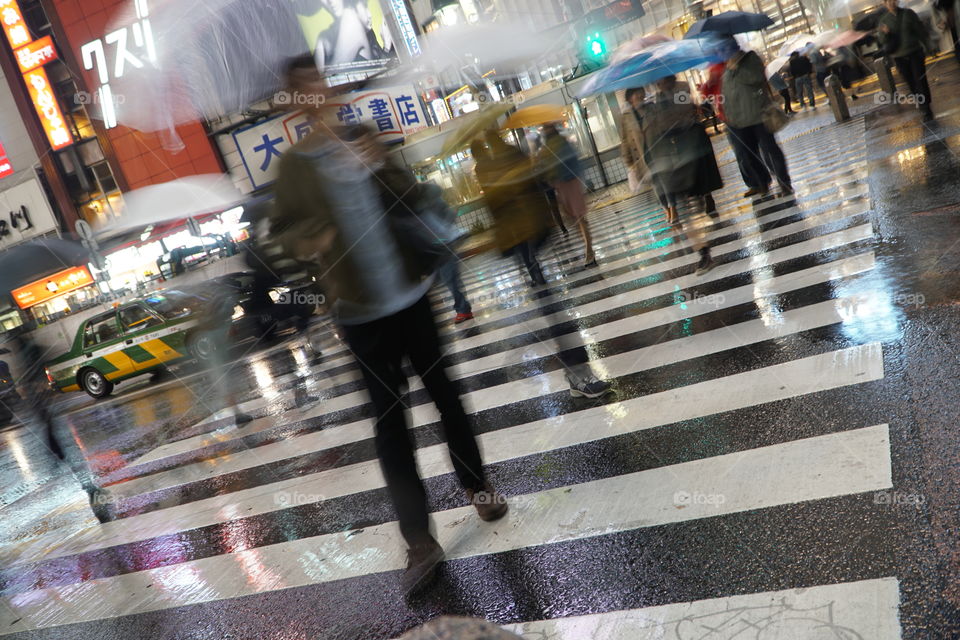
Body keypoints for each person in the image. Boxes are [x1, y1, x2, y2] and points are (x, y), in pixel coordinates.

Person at [272, 55, 507, 596]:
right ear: (293, 103)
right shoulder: (293, 168)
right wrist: (311, 237)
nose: (315, 92)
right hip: (359, 315)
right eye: (301, 88)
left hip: (412, 294)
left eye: (317, 81)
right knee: (390, 424)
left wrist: (382, 163)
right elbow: (282, 233)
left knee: (446, 395)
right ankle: (418, 540)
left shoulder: (362, 134)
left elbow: (414, 195)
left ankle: (477, 485)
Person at [475, 132, 613, 399]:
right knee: (556, 314)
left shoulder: (505, 161)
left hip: (531, 240)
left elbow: (530, 188)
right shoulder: (496, 167)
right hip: (525, 241)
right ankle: (579, 375)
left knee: (556, 312)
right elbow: (509, 201)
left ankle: (576, 375)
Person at [642, 75, 722, 275]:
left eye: (659, 80)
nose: (658, 83)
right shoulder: (658, 98)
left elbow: (682, 113)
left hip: (692, 145)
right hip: (675, 152)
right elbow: (661, 125)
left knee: (695, 194)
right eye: (656, 82)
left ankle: (704, 250)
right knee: (686, 208)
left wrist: (663, 116)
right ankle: (703, 252)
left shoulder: (681, 88)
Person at [722, 45, 794, 198]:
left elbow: (756, 78)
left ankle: (784, 182)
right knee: (749, 155)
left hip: (759, 115)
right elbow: (728, 93)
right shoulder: (726, 67)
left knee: (770, 150)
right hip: (739, 121)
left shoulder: (750, 59)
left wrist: (736, 68)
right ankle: (762, 184)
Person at [538, 123, 597, 268]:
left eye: (547, 129)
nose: (545, 132)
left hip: (570, 183)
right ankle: (587, 244)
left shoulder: (561, 144)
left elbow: (569, 162)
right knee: (574, 218)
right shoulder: (548, 148)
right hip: (562, 185)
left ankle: (589, 250)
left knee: (579, 218)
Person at [879, 0, 935, 120]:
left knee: (920, 80)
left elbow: (921, 31)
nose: (891, 3)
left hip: (915, 53)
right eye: (887, 1)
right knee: (911, 82)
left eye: (892, 0)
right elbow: (882, 41)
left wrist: (929, 47)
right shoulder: (884, 20)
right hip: (899, 57)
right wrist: (885, 33)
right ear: (884, 4)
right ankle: (920, 102)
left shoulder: (908, 13)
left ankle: (926, 107)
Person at [620, 86, 650, 194]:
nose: (640, 95)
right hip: (641, 156)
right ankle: (667, 204)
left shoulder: (651, 108)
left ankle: (670, 204)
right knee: (654, 185)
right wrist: (629, 162)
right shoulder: (625, 116)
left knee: (662, 184)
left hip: (655, 150)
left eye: (641, 92)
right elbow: (625, 140)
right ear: (630, 98)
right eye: (636, 93)